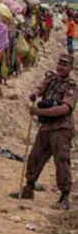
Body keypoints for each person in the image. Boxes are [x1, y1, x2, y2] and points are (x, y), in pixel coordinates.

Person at [12, 53, 78, 210]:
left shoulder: (71, 86)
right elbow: (40, 87)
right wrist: (35, 93)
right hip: (46, 127)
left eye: (65, 65)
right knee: (35, 157)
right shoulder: (51, 79)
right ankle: (29, 188)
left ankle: (64, 196)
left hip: (61, 128)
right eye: (60, 63)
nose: (61, 67)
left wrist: (39, 112)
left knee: (61, 161)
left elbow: (64, 108)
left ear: (70, 68)